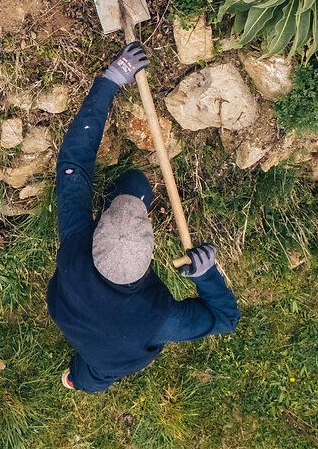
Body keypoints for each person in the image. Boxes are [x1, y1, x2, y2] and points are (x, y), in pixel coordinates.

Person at [46, 41, 240, 392]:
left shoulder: (75, 249)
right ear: (151, 250)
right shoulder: (160, 320)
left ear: (97, 231)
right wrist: (206, 276)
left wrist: (110, 81)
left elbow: (73, 165)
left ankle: (79, 380)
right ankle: (79, 380)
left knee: (97, 370)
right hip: (117, 351)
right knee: (136, 181)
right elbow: (225, 320)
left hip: (81, 322)